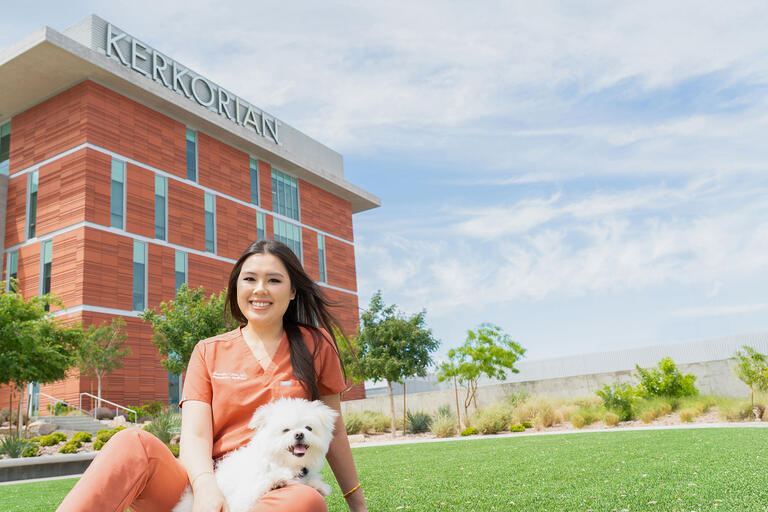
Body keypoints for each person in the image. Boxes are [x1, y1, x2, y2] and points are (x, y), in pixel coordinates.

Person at [58, 239, 367, 512]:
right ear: (236, 288)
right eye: (249, 279)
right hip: (198, 488)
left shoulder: (316, 344)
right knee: (131, 441)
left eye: (273, 280)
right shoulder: (208, 351)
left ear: (292, 292)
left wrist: (357, 504)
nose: (260, 289)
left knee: (306, 502)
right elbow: (195, 436)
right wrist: (206, 487)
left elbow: (334, 431)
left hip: (274, 488)